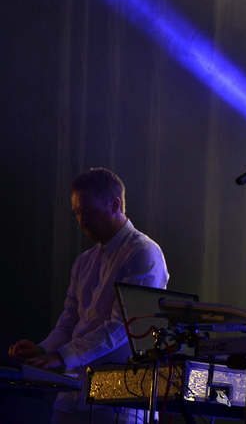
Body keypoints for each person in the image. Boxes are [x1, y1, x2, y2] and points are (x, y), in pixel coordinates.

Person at [8, 168, 170, 424]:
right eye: (77, 212)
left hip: (120, 400)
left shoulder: (143, 253)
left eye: (89, 211)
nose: (82, 221)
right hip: (73, 394)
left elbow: (123, 325)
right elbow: (69, 322)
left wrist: (61, 356)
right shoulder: (84, 261)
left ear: (114, 204)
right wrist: (43, 349)